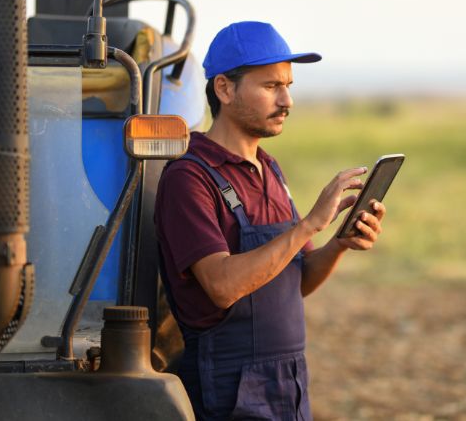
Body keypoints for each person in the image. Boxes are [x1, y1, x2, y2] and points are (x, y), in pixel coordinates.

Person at [154, 21, 386, 420]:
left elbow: (299, 279)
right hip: (226, 389)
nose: (286, 101)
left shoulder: (269, 169)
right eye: (270, 87)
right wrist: (310, 224)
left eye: (288, 86)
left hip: (288, 383)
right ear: (224, 89)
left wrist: (339, 244)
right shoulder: (188, 178)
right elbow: (223, 286)